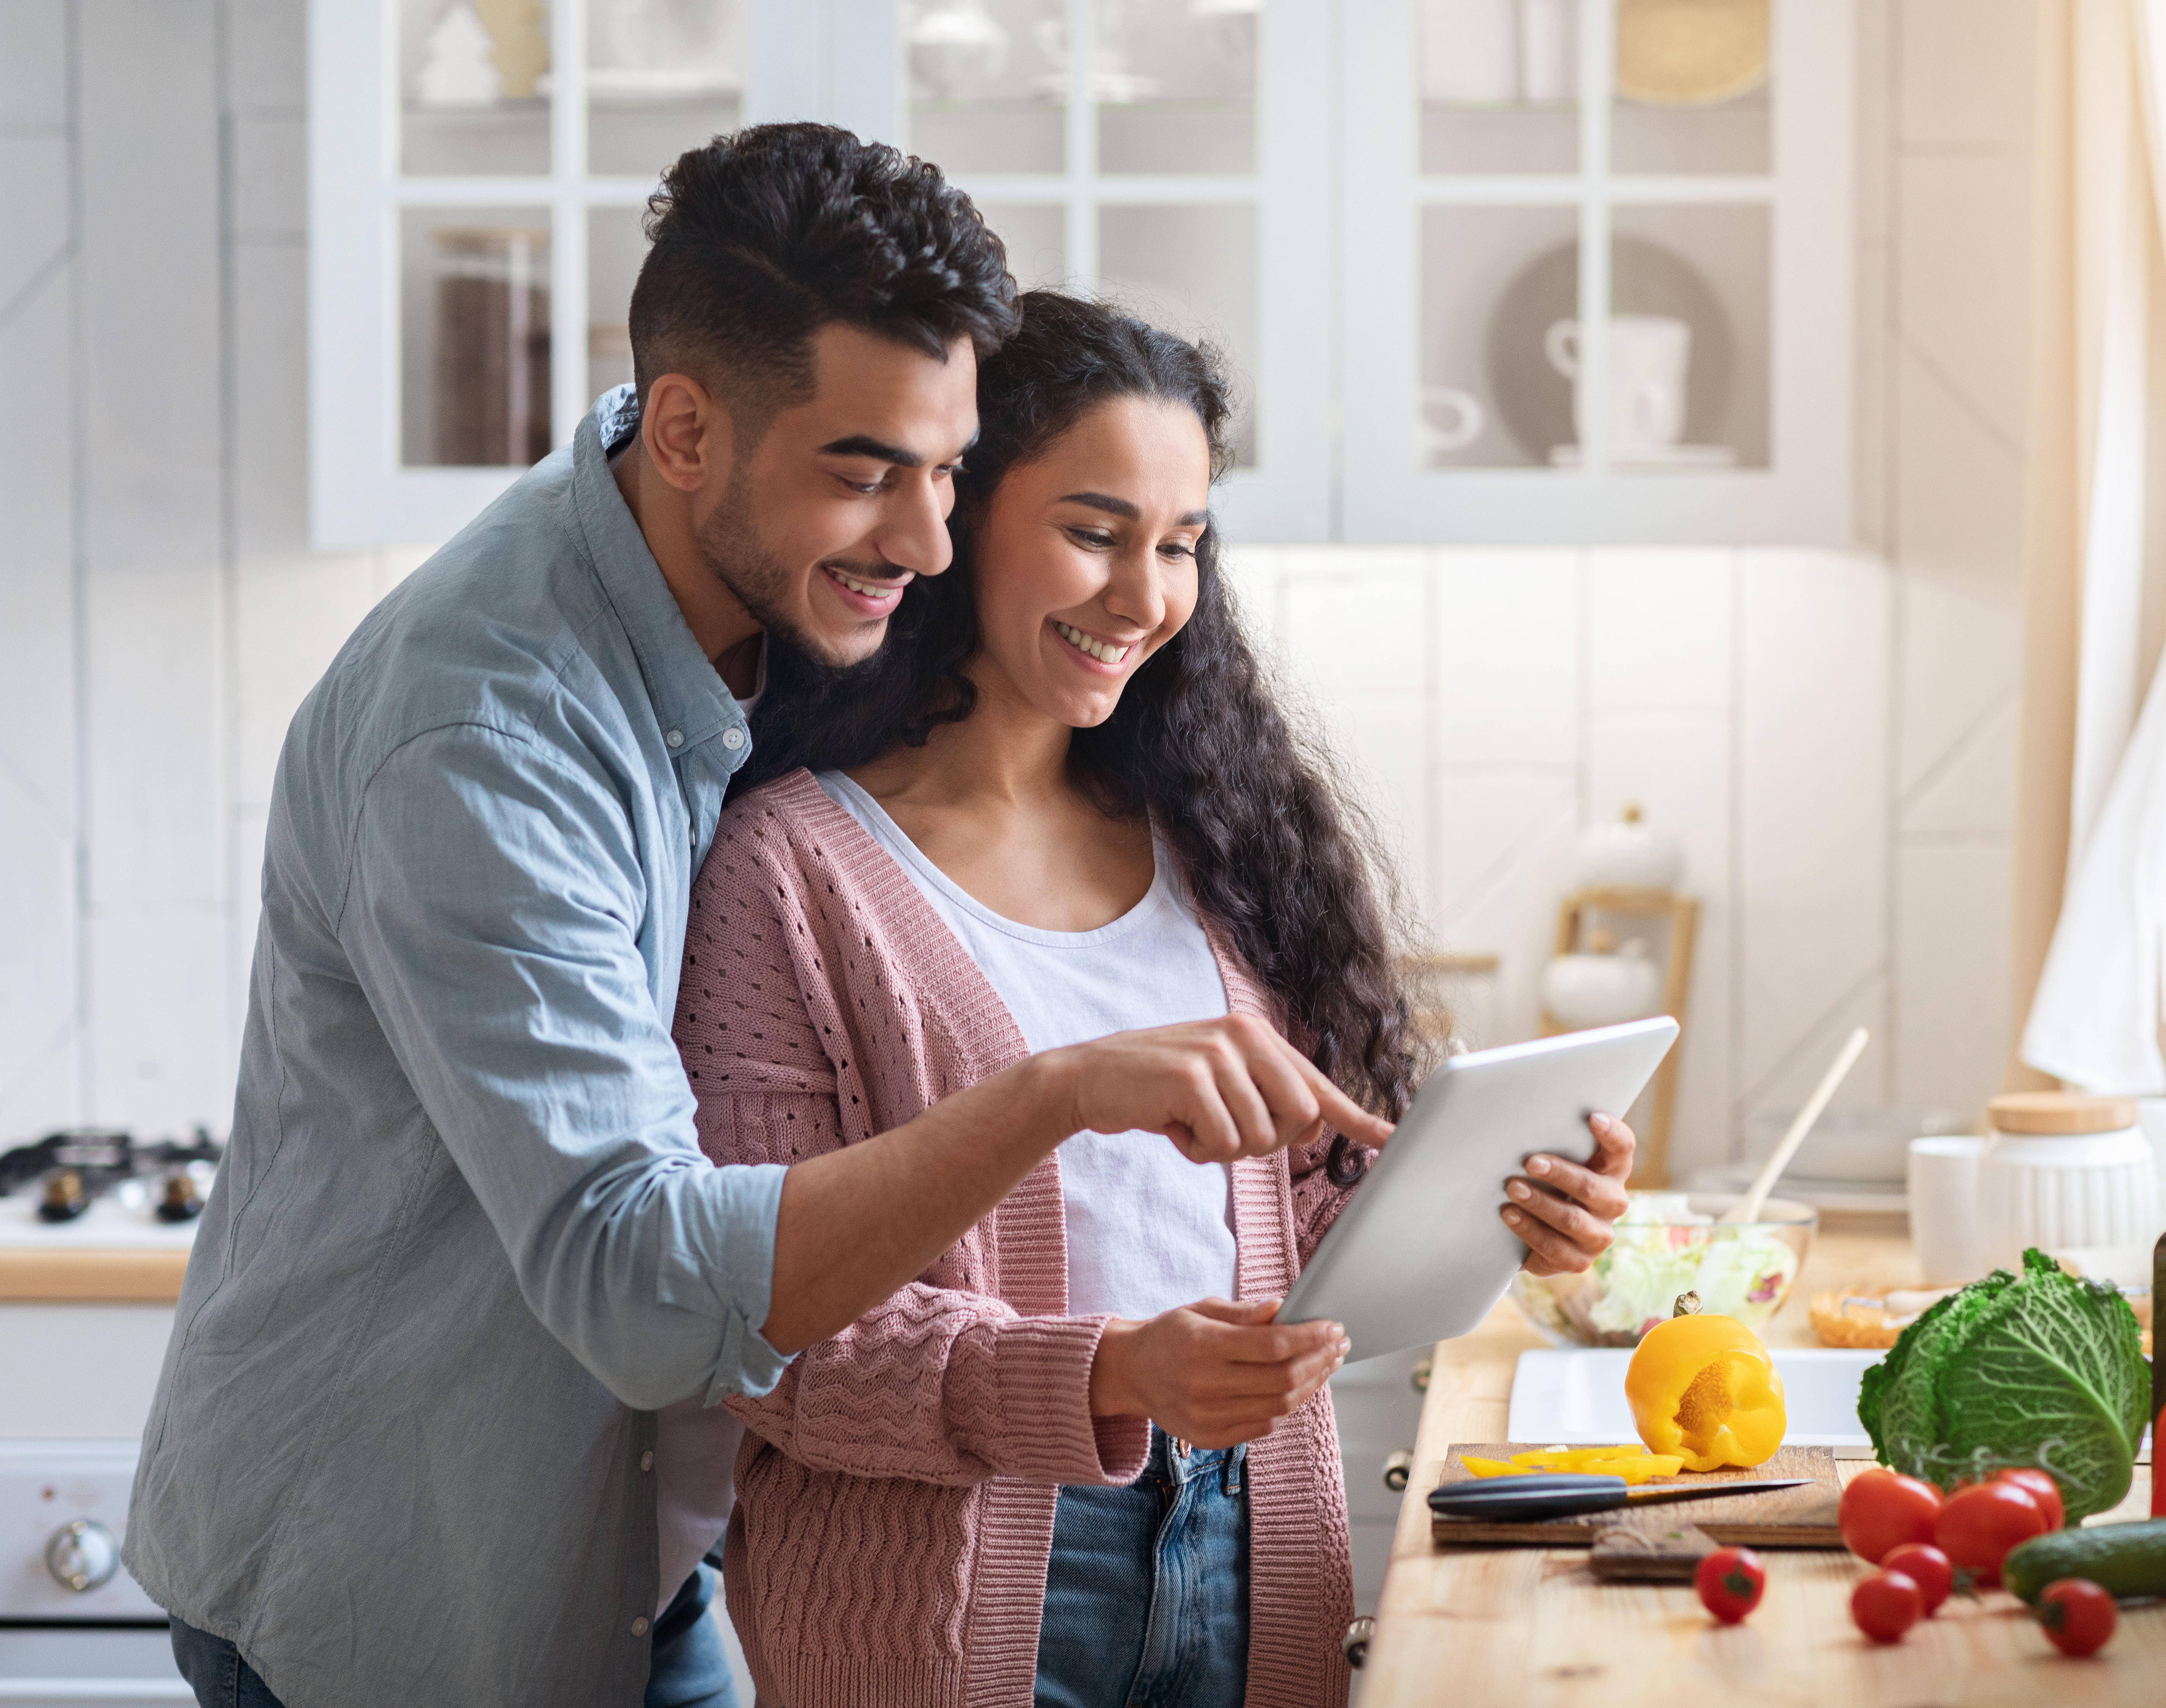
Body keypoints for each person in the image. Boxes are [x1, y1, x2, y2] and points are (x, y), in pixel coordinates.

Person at [128, 128, 1387, 1708]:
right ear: (683, 430)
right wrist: (1060, 1089)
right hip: (404, 1577)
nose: (925, 544)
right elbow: (646, 1279)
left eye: (947, 472)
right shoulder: (485, 733)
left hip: (643, 1579)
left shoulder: (752, 585)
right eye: (866, 472)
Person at [678, 292, 1636, 1708]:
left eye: (1181, 546)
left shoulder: (1214, 844)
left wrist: (1499, 1210)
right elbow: (763, 1336)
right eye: (1094, 530)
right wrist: (1117, 1373)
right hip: (950, 1595)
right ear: (956, 518)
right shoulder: (792, 873)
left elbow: (1304, 1232)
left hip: (1255, 1528)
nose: (1145, 597)